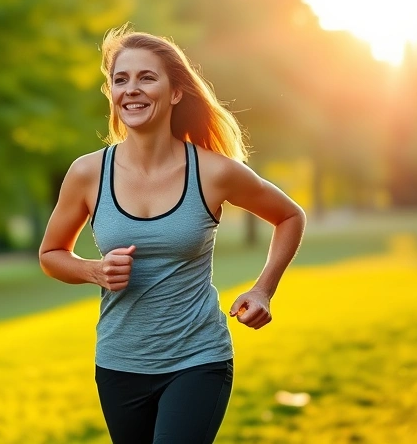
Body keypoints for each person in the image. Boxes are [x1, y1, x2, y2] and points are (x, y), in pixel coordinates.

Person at [38, 26, 306, 444]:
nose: (131, 90)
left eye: (147, 77)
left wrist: (263, 290)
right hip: (119, 362)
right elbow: (51, 253)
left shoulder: (213, 172)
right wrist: (93, 271)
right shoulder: (88, 173)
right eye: (120, 80)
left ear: (176, 92)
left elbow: (289, 216)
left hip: (198, 359)